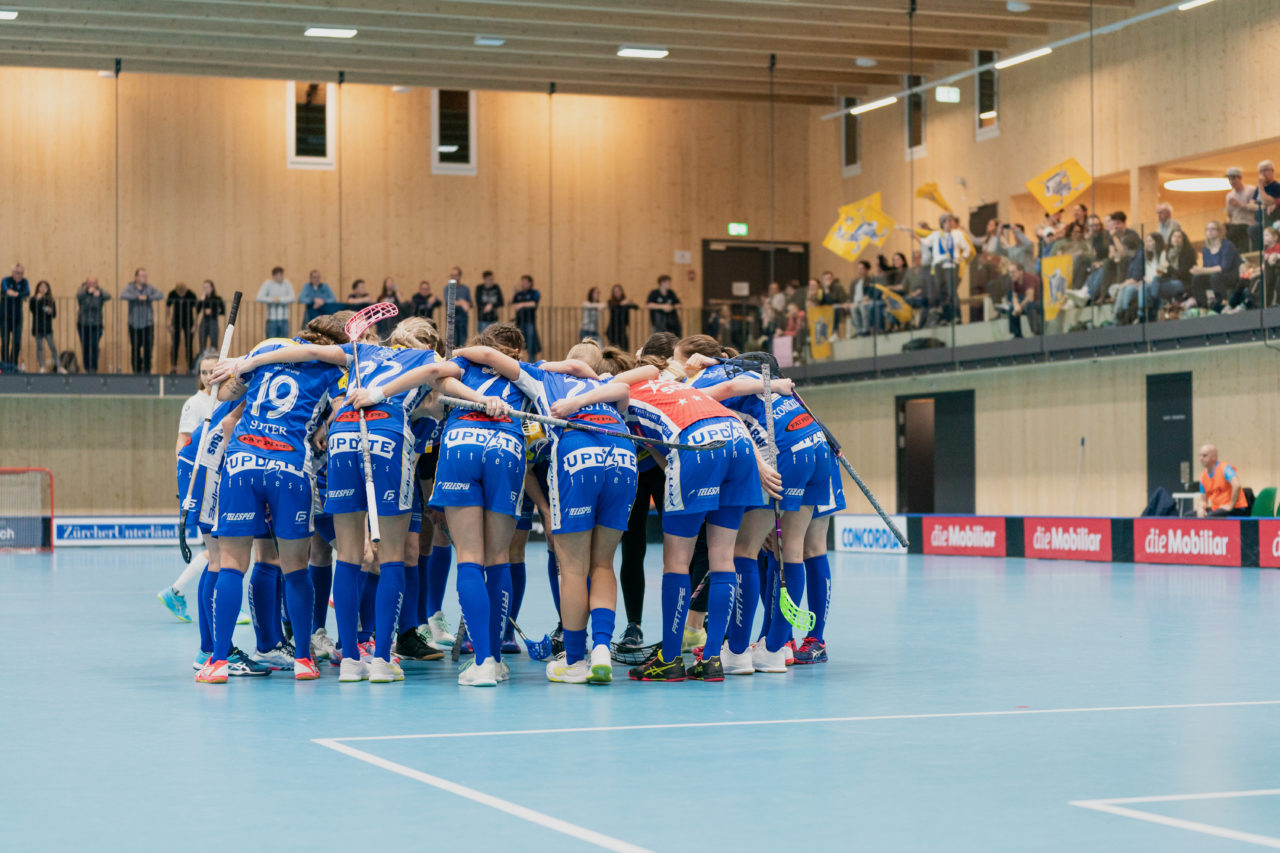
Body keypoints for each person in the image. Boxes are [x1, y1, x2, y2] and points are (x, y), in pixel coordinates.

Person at [566, 345, 780, 682]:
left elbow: (627, 385)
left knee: (676, 562)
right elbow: (664, 458)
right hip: (735, 438)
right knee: (723, 559)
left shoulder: (614, 389)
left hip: (695, 442)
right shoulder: (673, 385)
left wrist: (573, 401)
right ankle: (711, 660)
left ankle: (669, 659)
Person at [356, 322, 528, 686]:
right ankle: (493, 660)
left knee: (468, 557)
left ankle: (480, 661)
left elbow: (437, 380)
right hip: (506, 448)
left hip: (460, 445)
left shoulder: (457, 364)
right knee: (498, 559)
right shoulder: (524, 374)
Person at [457, 339, 637, 684]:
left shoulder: (540, 375)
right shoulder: (604, 383)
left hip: (577, 451)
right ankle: (601, 648)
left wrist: (457, 353)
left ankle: (574, 660)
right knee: (602, 563)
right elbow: (626, 391)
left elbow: (489, 355)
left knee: (572, 567)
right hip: (622, 453)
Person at [199, 314, 356, 684]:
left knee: (233, 564)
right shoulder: (335, 365)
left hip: (242, 463)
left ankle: (218, 661)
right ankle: (303, 659)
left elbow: (223, 393)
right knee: (295, 568)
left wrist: (236, 370)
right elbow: (344, 412)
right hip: (289, 467)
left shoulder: (266, 348)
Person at [616, 332, 678, 650]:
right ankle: (633, 626)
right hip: (635, 468)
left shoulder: (678, 381)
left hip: (663, 465)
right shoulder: (631, 380)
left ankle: (689, 622)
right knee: (633, 546)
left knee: (681, 547)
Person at [158, 353, 220, 622]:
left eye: (212, 372)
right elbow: (182, 444)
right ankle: (178, 590)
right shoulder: (194, 404)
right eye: (204, 372)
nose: (208, 377)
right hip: (204, 479)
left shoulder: (227, 399)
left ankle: (212, 597)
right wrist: (187, 487)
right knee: (219, 546)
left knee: (223, 546)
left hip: (222, 476)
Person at [1188, 221, 1241, 312]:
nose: (1210, 231)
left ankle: (1222, 305)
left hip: (1231, 274)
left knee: (1215, 277)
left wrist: (1201, 270)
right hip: (1215, 276)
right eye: (1207, 229)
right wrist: (1200, 271)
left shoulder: (1227, 245)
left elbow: (1223, 267)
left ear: (1219, 231)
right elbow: (1206, 268)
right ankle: (1203, 307)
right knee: (1197, 279)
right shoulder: (1205, 249)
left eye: (1213, 229)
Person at [122, 268, 163, 373]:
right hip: (134, 324)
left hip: (147, 323)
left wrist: (148, 297)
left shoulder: (149, 288)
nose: (145, 278)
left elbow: (160, 295)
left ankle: (147, 370)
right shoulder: (130, 287)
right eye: (142, 276)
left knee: (148, 349)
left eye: (145, 276)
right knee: (135, 349)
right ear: (136, 277)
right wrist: (137, 297)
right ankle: (136, 371)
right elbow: (123, 295)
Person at [1194, 444, 1247, 517]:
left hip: (1235, 508)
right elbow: (1203, 500)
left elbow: (1237, 485)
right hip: (1217, 509)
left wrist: (1230, 505)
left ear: (1214, 457)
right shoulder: (1203, 477)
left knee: (1209, 517)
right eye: (1200, 456)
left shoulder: (1225, 468)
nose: (1201, 458)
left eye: (1204, 455)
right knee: (1188, 516)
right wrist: (1201, 508)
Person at [76, 276, 110, 373]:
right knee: (85, 346)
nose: (92, 285)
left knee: (94, 345)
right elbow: (78, 295)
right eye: (90, 283)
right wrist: (88, 292)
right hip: (83, 323)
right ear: (86, 283)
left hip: (96, 324)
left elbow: (108, 296)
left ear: (97, 283)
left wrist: (99, 293)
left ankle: (93, 368)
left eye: (94, 283)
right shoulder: (82, 290)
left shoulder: (99, 291)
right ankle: (87, 367)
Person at [1246, 160, 1280, 252]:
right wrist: (1262, 206)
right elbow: (1250, 205)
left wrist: (1261, 186)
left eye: (1265, 170)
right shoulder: (1258, 189)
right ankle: (1259, 253)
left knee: (1269, 230)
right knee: (1252, 230)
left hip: (1272, 220)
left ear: (1272, 171)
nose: (1263, 174)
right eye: (1261, 171)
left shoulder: (1276, 186)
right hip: (1261, 220)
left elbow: (1268, 200)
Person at [166, 281, 198, 373]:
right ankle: (173, 366)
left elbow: (196, 311)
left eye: (182, 292)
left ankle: (190, 367)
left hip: (188, 321)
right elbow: (168, 308)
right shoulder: (172, 294)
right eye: (179, 292)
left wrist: (195, 325)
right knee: (175, 344)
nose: (180, 294)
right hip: (176, 321)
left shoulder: (191, 294)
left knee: (189, 345)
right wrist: (168, 322)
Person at [2, 262, 30, 365]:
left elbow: (27, 292)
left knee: (17, 342)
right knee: (5, 341)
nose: (20, 275)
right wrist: (18, 295)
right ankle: (5, 364)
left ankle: (13, 364)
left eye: (22, 273)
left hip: (17, 318)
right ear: (13, 272)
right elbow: (6, 291)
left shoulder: (25, 282)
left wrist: (16, 294)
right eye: (18, 273)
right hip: (5, 317)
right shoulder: (6, 280)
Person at [27, 280, 58, 373]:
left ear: (48, 289)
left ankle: (58, 365)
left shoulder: (50, 300)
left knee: (52, 346)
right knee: (39, 347)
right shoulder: (33, 299)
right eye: (41, 287)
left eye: (45, 287)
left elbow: (54, 315)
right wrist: (37, 300)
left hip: (48, 328)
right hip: (37, 327)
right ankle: (42, 366)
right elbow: (32, 310)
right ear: (38, 288)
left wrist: (50, 311)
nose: (43, 289)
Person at [256, 266, 295, 339]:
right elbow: (259, 297)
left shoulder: (287, 283)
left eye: (281, 274)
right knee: (271, 340)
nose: (280, 277)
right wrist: (272, 300)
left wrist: (280, 300)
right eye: (278, 275)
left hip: (284, 318)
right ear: (274, 276)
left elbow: (292, 297)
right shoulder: (268, 284)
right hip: (272, 318)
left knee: (284, 340)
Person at [1006, 261, 1042, 337]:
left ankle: (1037, 333)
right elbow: (1014, 296)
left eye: (1013, 272)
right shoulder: (1014, 280)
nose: (1011, 275)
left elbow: (1030, 298)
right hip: (1028, 301)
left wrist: (1020, 306)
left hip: (1040, 301)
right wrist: (1016, 307)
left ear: (1021, 272)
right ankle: (1017, 334)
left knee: (1030, 306)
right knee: (1012, 308)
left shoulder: (1028, 278)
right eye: (1009, 272)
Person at [1224, 167, 1254, 250]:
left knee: (1237, 232)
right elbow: (1229, 215)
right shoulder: (1229, 195)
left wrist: (1239, 204)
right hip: (1235, 224)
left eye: (1233, 178)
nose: (1231, 182)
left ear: (1240, 178)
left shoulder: (1250, 190)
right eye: (1229, 179)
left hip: (1247, 222)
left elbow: (1255, 207)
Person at [511, 274, 540, 359]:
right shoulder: (519, 294)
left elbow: (534, 303)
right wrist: (514, 293)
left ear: (530, 283)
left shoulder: (534, 292)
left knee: (531, 345)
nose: (522, 284)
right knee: (518, 344)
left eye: (525, 282)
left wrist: (521, 304)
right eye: (522, 282)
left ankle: (532, 362)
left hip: (529, 322)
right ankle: (519, 362)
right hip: (519, 322)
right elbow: (512, 304)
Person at [195, 280, 225, 354]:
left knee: (214, 344)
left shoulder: (217, 298)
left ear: (212, 288)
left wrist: (213, 312)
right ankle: (201, 360)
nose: (205, 289)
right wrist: (201, 300)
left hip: (213, 321)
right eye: (204, 287)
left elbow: (223, 311)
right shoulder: (203, 298)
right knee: (202, 342)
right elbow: (197, 311)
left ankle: (213, 360)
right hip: (204, 321)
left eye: (207, 287)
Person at [605, 283, 637, 349]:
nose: (617, 293)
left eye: (618, 291)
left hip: (622, 329)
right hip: (613, 329)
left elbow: (636, 307)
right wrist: (621, 304)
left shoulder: (625, 302)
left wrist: (629, 302)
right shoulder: (610, 302)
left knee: (625, 349)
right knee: (614, 350)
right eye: (615, 292)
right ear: (613, 293)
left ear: (622, 292)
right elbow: (613, 307)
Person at [447, 266, 472, 347]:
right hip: (452, 319)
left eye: (455, 275)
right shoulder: (447, 288)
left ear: (460, 276)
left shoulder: (465, 289)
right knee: (452, 342)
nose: (453, 277)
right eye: (452, 275)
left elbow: (470, 304)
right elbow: (448, 301)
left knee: (463, 341)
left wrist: (466, 304)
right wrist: (462, 302)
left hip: (463, 319)